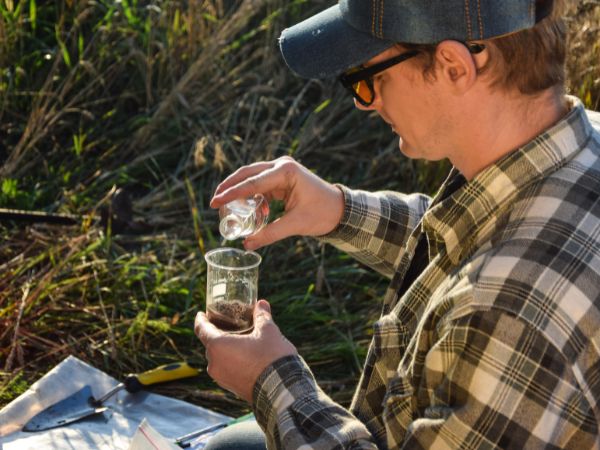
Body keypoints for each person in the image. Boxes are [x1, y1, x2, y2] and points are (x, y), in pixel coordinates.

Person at [195, 0, 600, 448]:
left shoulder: (508, 315)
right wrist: (338, 210)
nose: (366, 103)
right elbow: (473, 236)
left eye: (371, 78)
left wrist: (270, 381)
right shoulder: (575, 148)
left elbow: (493, 279)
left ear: (453, 66)